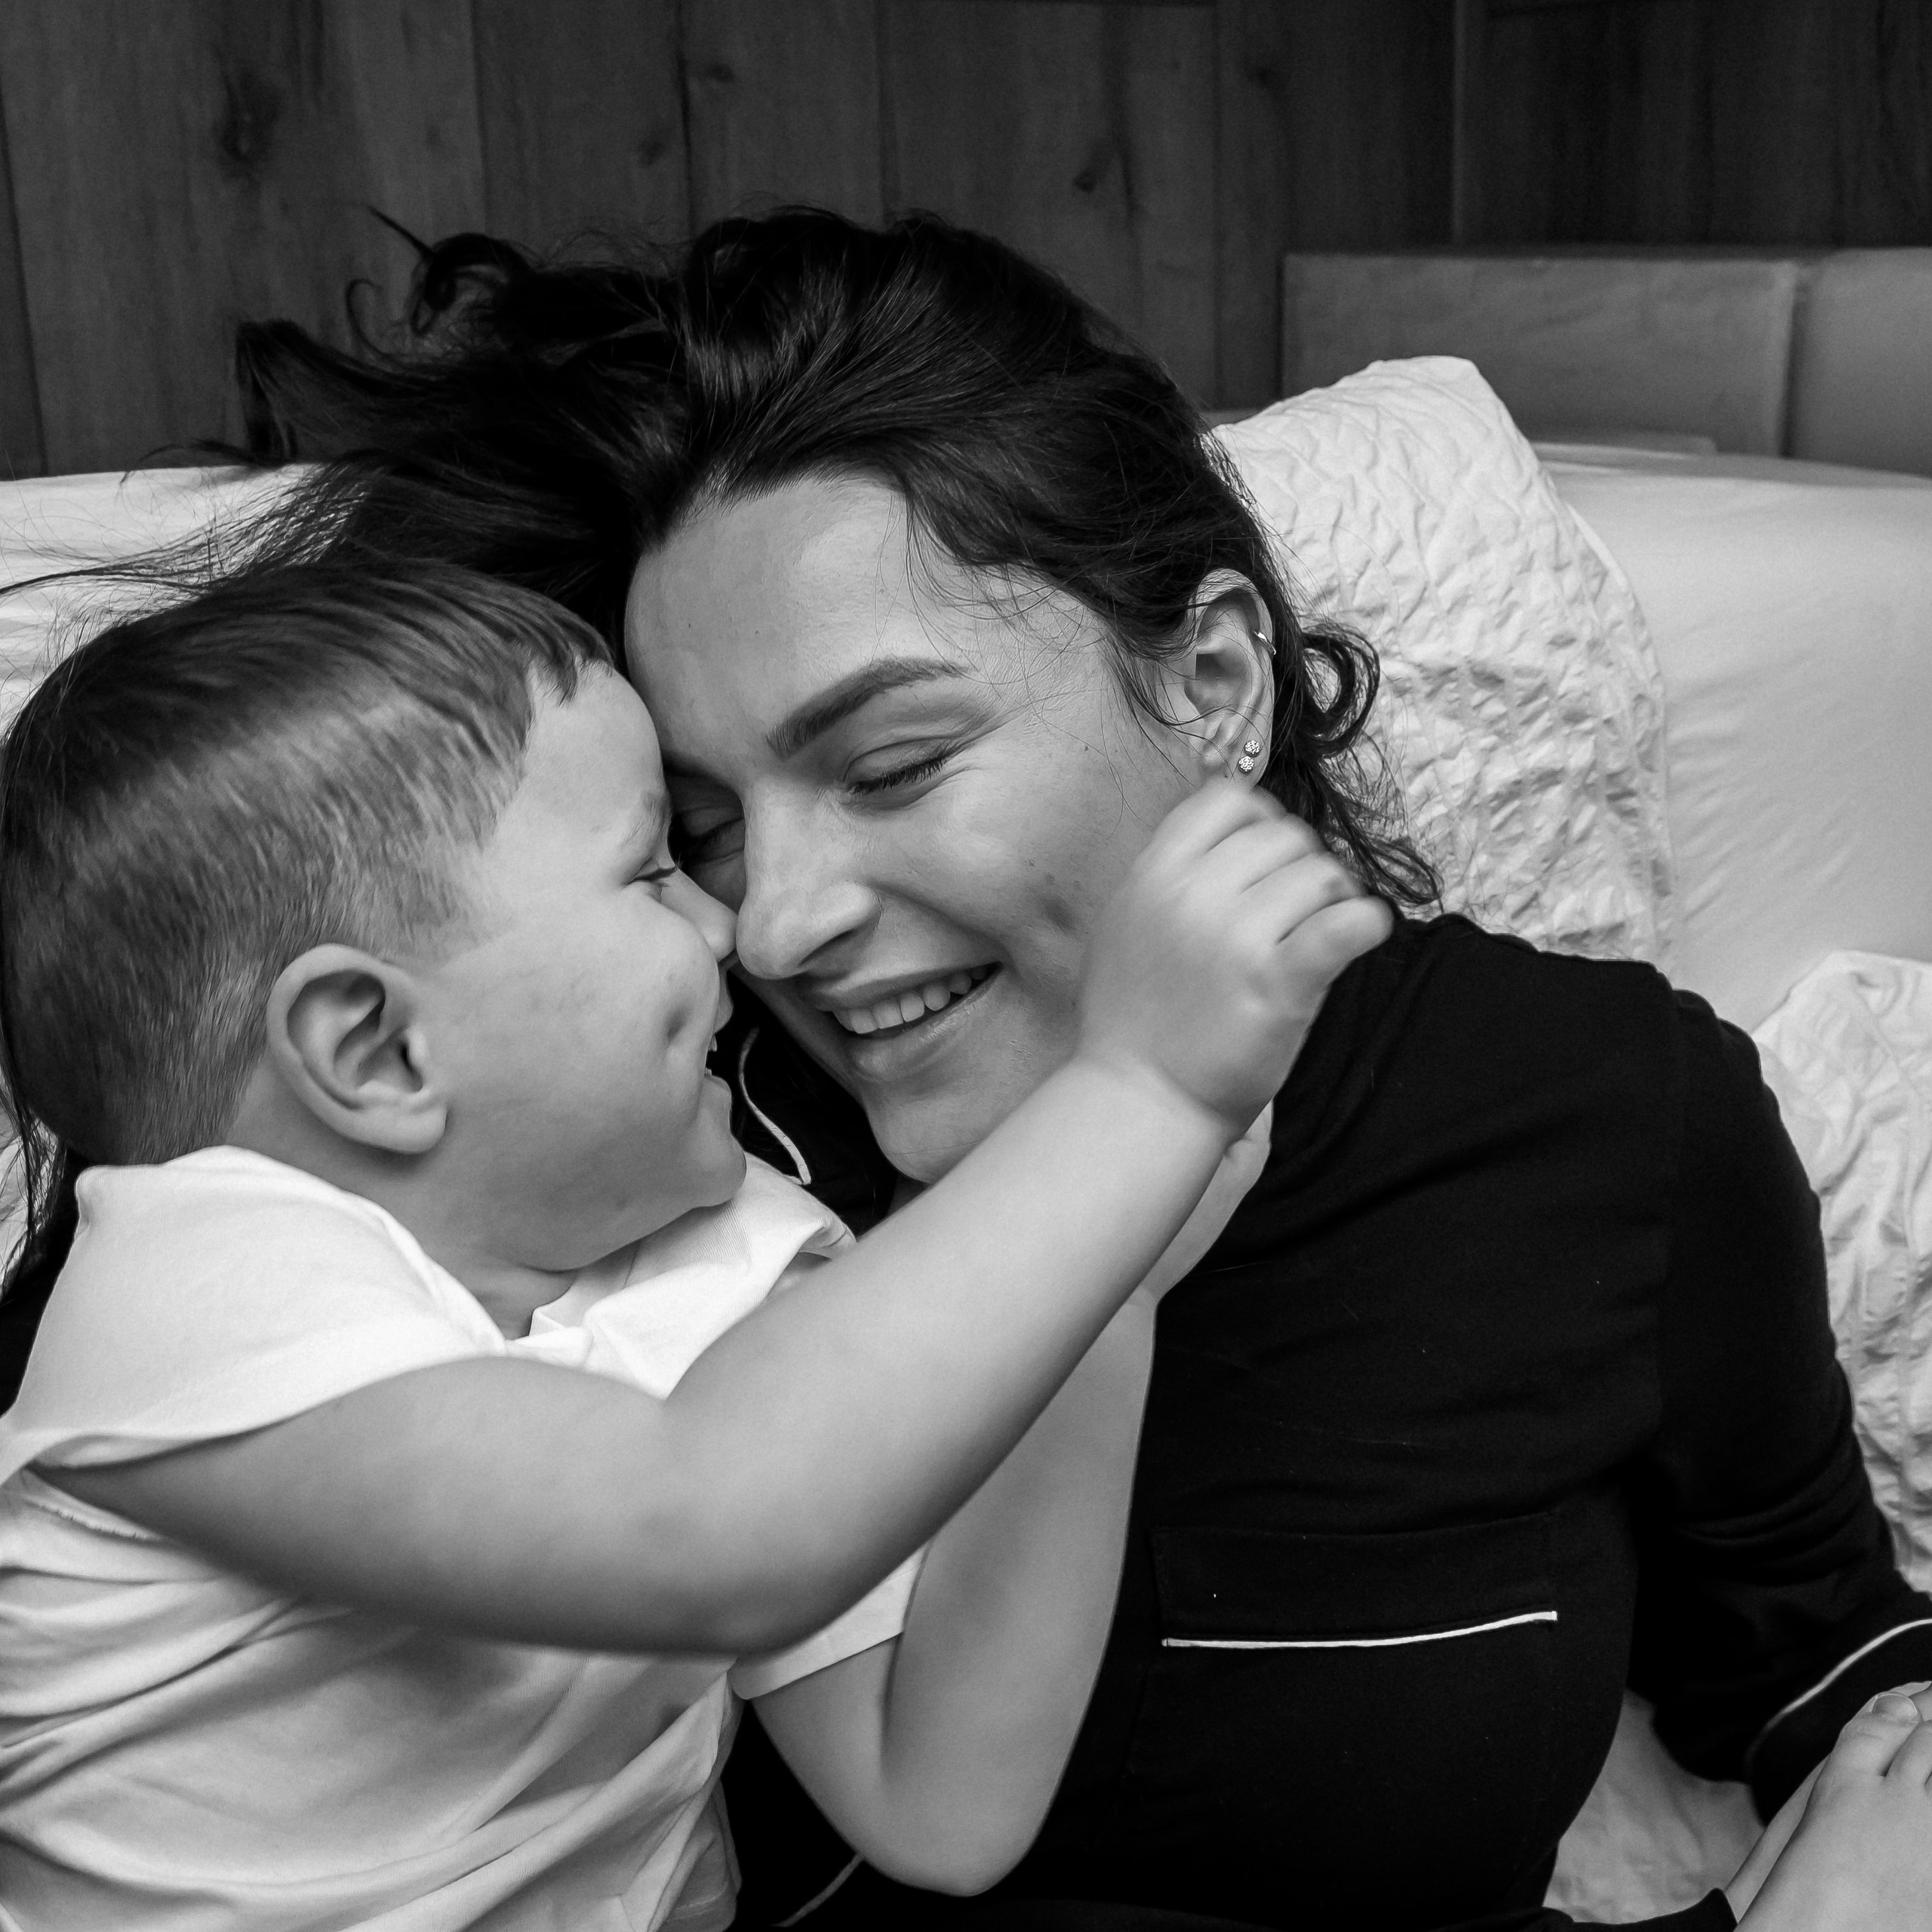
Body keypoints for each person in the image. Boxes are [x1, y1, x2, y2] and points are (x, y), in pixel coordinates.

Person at [200, 209, 1932, 1929]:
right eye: (704, 828)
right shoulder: (649, 1145)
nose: (775, 922)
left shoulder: (1597, 1112)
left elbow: (1821, 1655)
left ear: (1212, 678)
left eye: (889, 761)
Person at [0, 561, 1386, 1929]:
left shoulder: (716, 1262)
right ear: (376, 1049)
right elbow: (709, 1525)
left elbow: (940, 1805)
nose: (737, 929)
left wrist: (1107, 1269)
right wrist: (1140, 1092)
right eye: (652, 867)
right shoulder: (193, 1285)